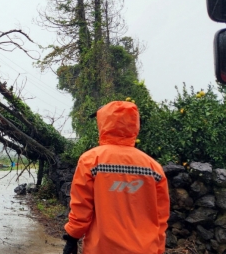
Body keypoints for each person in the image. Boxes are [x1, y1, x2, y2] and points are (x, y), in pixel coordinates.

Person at [62, 101, 170, 254]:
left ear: (103, 123)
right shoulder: (154, 168)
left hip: (102, 248)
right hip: (145, 249)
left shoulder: (91, 161)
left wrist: (72, 237)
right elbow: (160, 217)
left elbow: (81, 208)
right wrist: (158, 249)